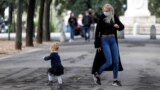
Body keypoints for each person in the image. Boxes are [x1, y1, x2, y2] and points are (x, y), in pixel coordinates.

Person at [91, 4, 124, 86]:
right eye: (104, 10)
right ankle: (97, 74)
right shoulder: (102, 17)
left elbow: (122, 26)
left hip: (113, 40)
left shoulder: (113, 17)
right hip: (104, 40)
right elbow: (97, 31)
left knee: (116, 61)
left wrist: (118, 26)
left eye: (107, 10)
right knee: (109, 62)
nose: (105, 12)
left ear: (110, 10)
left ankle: (115, 81)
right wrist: (97, 44)